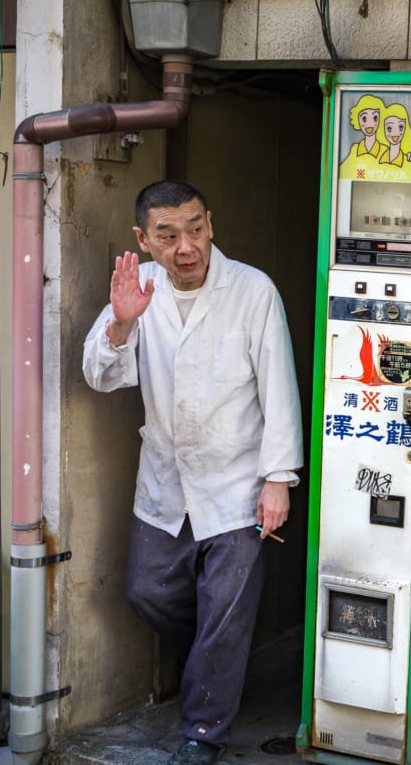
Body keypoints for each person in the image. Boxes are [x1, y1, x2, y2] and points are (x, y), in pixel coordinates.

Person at [82, 180, 303, 765]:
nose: (187, 246)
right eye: (169, 235)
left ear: (211, 224)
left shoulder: (252, 291)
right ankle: (218, 663)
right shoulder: (139, 291)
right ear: (144, 240)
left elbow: (279, 386)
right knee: (147, 591)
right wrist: (122, 325)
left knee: (226, 615)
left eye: (197, 229)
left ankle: (203, 734)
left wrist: (278, 478)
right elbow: (100, 376)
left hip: (238, 483)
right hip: (165, 482)